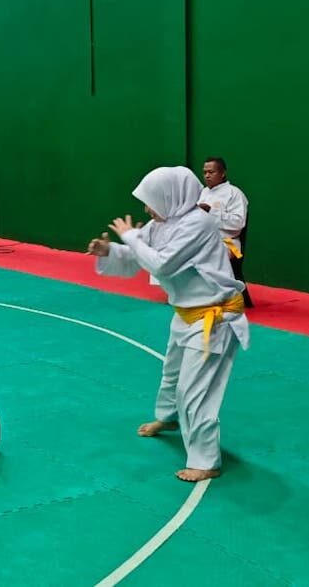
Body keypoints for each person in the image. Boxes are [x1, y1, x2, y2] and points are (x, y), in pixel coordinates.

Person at [87, 166, 249, 482]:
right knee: (171, 374)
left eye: (152, 202)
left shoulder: (198, 224)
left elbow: (162, 262)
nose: (148, 210)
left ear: (172, 198)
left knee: (195, 392)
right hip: (186, 314)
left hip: (213, 320)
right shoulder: (162, 223)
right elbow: (138, 256)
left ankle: (206, 461)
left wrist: (130, 236)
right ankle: (168, 418)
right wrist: (110, 250)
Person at [198, 157, 252, 307]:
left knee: (203, 253)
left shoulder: (234, 193)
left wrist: (211, 211)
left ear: (222, 173)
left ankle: (217, 297)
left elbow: (238, 223)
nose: (207, 175)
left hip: (227, 242)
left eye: (211, 172)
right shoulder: (203, 193)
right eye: (204, 172)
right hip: (203, 239)